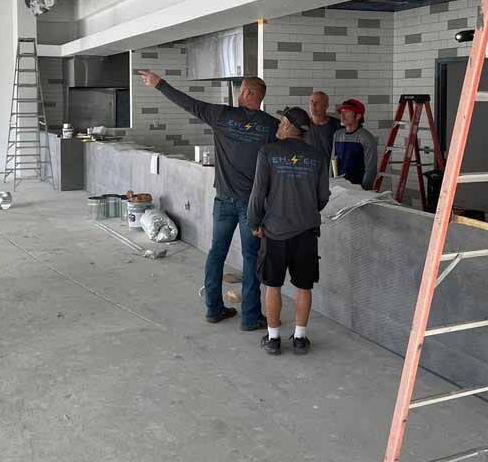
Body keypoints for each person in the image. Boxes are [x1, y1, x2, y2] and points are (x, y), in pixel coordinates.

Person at [138, 70, 278, 330]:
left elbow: (187, 102)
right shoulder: (271, 126)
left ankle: (213, 309)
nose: (239, 94)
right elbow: (276, 163)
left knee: (217, 252)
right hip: (253, 203)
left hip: (224, 199)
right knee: (251, 258)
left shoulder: (222, 116)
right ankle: (250, 317)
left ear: (247, 93)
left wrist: (160, 84)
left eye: (241, 90)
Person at [248, 106, 330, 355]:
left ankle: (273, 339)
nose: (278, 126)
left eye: (280, 122)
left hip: (274, 232)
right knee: (303, 286)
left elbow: (258, 193)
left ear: (286, 125)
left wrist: (255, 223)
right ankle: (300, 338)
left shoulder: (268, 152)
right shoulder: (317, 157)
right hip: (306, 232)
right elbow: (323, 197)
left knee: (272, 285)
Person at [332, 98, 378, 189]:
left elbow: (370, 169)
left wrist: (364, 190)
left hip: (358, 188)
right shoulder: (337, 135)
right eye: (341, 112)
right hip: (340, 187)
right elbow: (332, 161)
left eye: (347, 112)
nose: (342, 116)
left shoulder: (366, 138)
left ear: (358, 116)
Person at [306, 90, 341, 163]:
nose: (313, 105)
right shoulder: (303, 126)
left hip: (332, 172)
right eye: (311, 102)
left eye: (317, 102)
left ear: (326, 106)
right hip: (310, 171)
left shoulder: (338, 126)